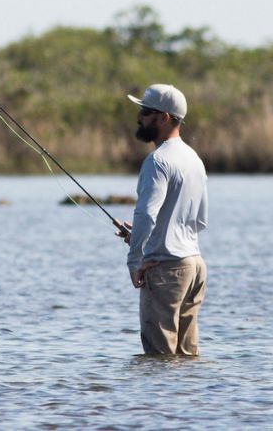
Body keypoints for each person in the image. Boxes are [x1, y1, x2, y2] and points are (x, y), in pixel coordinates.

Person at [115, 84, 209, 356]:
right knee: (186, 360)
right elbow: (198, 220)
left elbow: (146, 214)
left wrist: (135, 261)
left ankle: (160, 402)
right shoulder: (194, 159)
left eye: (145, 112)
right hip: (194, 267)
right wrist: (144, 237)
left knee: (159, 361)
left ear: (164, 117)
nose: (139, 118)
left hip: (166, 270)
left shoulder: (158, 161)